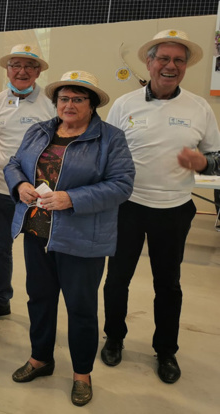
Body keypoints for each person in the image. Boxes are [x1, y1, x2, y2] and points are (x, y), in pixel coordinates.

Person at [5, 71, 134, 406]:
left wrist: (71, 199)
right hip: (37, 233)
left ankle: (81, 374)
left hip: (82, 239)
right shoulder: (39, 131)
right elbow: (14, 163)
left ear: (92, 104)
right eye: (64, 98)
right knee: (39, 299)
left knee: (81, 308)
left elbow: (122, 185)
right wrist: (19, 185)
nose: (70, 104)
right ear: (56, 102)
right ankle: (40, 358)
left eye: (79, 98)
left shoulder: (110, 139)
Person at [101, 29, 220, 384]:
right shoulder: (124, 105)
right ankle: (114, 338)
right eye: (163, 58)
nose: (171, 66)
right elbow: (106, 154)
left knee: (167, 284)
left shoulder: (200, 107)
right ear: (149, 62)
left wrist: (205, 165)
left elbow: (217, 157)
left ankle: (166, 351)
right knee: (117, 279)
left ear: (185, 67)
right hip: (128, 207)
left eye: (178, 60)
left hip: (175, 209)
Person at [0, 44, 55, 322]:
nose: (22, 71)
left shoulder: (51, 104)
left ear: (39, 72)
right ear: (7, 70)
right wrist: (10, 174)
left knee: (39, 252)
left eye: (29, 66)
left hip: (38, 194)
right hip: (0, 189)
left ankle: (41, 305)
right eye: (16, 65)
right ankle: (1, 300)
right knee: (0, 248)